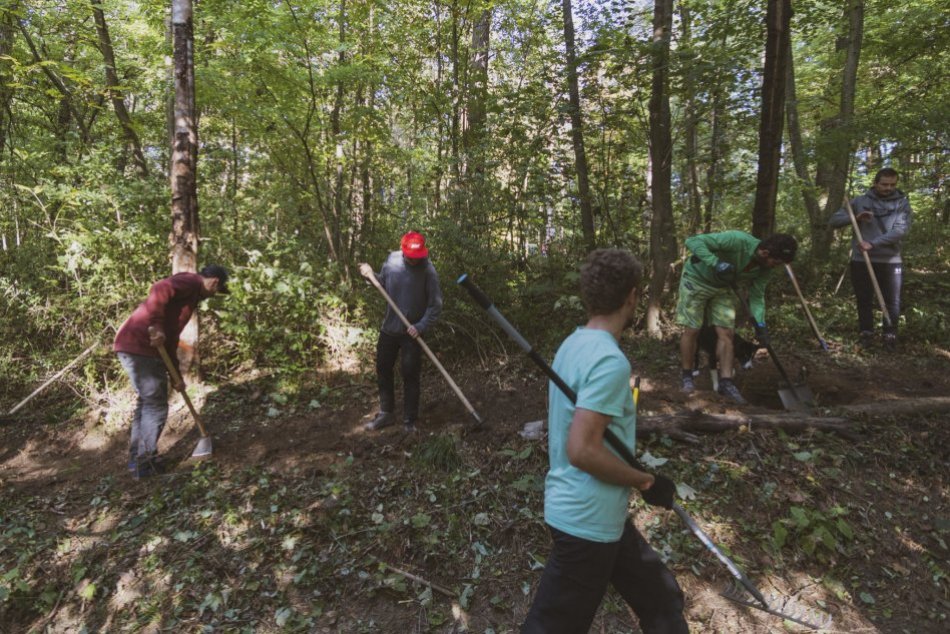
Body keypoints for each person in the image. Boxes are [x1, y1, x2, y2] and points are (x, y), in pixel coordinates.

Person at [521, 249, 687, 634]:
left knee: (661, 600)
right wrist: (644, 481)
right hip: (586, 521)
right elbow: (581, 450)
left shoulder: (573, 344)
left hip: (600, 514)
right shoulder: (609, 361)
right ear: (631, 296)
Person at [113, 265, 229, 478]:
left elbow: (170, 339)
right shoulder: (190, 282)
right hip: (140, 345)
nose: (213, 295)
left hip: (136, 346)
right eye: (217, 290)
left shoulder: (191, 296)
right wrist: (156, 327)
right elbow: (160, 288)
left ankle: (136, 460)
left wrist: (175, 374)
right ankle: (144, 462)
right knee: (156, 407)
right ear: (214, 282)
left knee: (147, 403)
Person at [676, 231, 797, 404]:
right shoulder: (737, 241)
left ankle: (726, 382)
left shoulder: (765, 269)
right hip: (696, 280)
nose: (775, 266)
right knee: (693, 328)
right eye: (776, 262)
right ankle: (687, 377)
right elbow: (692, 241)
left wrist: (760, 323)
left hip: (724, 287)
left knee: (727, 333)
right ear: (765, 252)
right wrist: (715, 262)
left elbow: (757, 296)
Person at [359, 231, 442, 433]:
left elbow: (435, 305)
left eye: (417, 257)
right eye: (411, 257)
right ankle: (387, 413)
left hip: (412, 333)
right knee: (383, 369)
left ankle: (409, 420)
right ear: (403, 251)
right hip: (390, 328)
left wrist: (420, 326)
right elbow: (383, 285)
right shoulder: (392, 261)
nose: (414, 261)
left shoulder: (428, 271)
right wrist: (370, 276)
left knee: (410, 374)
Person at [829, 168, 911, 349]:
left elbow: (900, 231)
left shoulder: (902, 204)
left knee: (892, 300)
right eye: (884, 184)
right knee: (864, 298)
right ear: (875, 183)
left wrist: (873, 243)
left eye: (892, 184)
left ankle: (890, 335)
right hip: (861, 259)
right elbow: (834, 221)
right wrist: (855, 217)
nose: (888, 188)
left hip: (890, 260)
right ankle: (866, 333)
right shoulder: (860, 201)